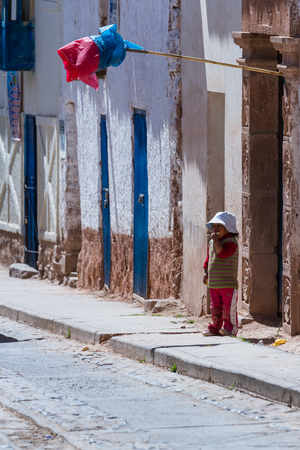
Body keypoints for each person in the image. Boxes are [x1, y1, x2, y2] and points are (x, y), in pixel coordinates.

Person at [202, 211, 239, 337]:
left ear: (228, 228)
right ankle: (215, 328)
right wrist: (206, 272)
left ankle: (230, 328)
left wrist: (216, 241)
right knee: (215, 308)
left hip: (228, 283)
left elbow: (222, 253)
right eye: (214, 226)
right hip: (214, 284)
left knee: (228, 308)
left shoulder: (231, 241)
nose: (215, 229)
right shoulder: (212, 241)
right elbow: (209, 258)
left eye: (219, 226)